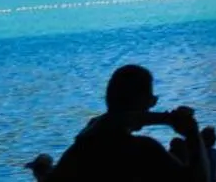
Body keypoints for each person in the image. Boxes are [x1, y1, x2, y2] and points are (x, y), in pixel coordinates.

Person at [50, 63, 205, 180]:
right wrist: (192, 133)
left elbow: (113, 120)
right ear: (139, 100)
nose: (151, 106)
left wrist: (164, 119)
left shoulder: (82, 146)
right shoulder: (144, 150)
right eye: (151, 99)